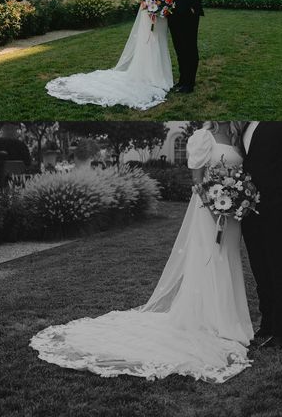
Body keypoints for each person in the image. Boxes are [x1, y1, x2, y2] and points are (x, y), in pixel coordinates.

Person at [30, 122, 254, 383]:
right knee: (209, 260)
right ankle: (210, 320)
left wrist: (235, 199)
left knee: (229, 258)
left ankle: (229, 317)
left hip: (232, 214)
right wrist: (213, 202)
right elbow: (197, 180)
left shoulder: (238, 134)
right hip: (209, 211)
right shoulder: (203, 136)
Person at [45, 0, 173, 110]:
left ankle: (161, 75)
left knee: (160, 40)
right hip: (148, 11)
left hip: (161, 14)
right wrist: (151, 4)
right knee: (149, 41)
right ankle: (148, 76)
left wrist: (162, 3)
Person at [241, 121, 282, 349]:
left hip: (278, 209)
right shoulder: (246, 124)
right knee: (261, 271)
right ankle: (267, 324)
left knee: (280, 269)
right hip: (250, 210)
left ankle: (281, 333)